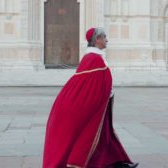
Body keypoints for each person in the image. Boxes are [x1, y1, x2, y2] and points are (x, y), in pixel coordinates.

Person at [43, 27, 138, 168]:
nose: (107, 40)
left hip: (98, 105)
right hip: (90, 107)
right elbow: (90, 86)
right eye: (104, 37)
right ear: (97, 40)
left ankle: (115, 163)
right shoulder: (93, 59)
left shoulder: (93, 58)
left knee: (103, 134)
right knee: (91, 135)